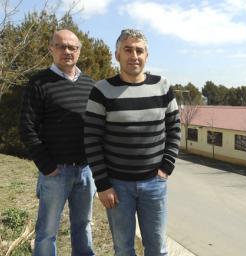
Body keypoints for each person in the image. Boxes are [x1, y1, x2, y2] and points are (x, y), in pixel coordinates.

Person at [84, 29, 181, 256]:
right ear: (117, 55)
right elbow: (91, 140)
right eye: (127, 50)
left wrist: (166, 168)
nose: (134, 55)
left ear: (147, 55)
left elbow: (174, 129)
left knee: (157, 248)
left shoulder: (163, 87)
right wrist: (103, 184)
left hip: (154, 184)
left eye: (139, 50)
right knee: (123, 249)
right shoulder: (101, 91)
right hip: (117, 187)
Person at [20, 29, 96, 256]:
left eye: (72, 47)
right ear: (51, 49)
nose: (67, 51)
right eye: (61, 46)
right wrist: (47, 165)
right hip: (55, 172)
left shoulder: (90, 85)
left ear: (79, 51)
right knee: (47, 230)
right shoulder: (38, 82)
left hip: (85, 171)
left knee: (83, 226)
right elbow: (26, 127)